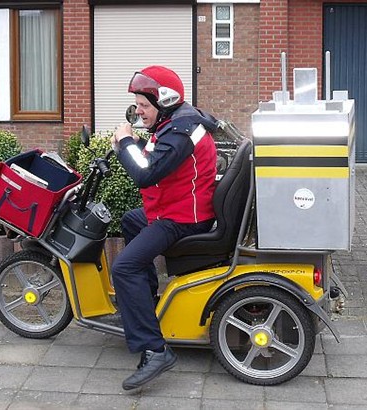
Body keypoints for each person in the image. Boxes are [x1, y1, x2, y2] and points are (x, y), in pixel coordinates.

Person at [110, 65, 218, 390]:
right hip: (176, 208)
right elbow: (155, 158)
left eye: (144, 105)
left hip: (183, 218)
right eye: (138, 105)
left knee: (124, 267)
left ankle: (155, 350)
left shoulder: (181, 132)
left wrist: (126, 143)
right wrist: (129, 145)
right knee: (131, 220)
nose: (139, 111)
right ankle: (147, 300)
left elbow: (146, 173)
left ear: (165, 100)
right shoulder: (176, 123)